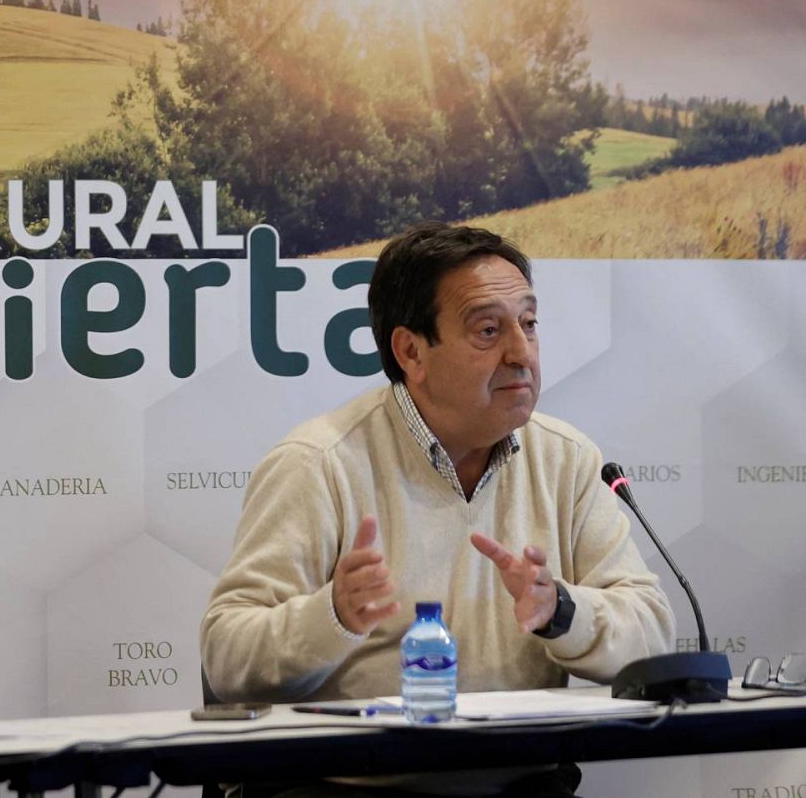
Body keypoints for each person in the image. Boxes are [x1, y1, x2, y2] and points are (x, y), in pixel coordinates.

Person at [200, 223, 674, 796]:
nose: (521, 353)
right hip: (346, 789)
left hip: (519, 786)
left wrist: (562, 610)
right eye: (488, 330)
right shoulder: (318, 463)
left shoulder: (568, 459)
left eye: (528, 323)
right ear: (411, 351)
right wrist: (333, 616)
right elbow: (227, 659)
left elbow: (652, 635)